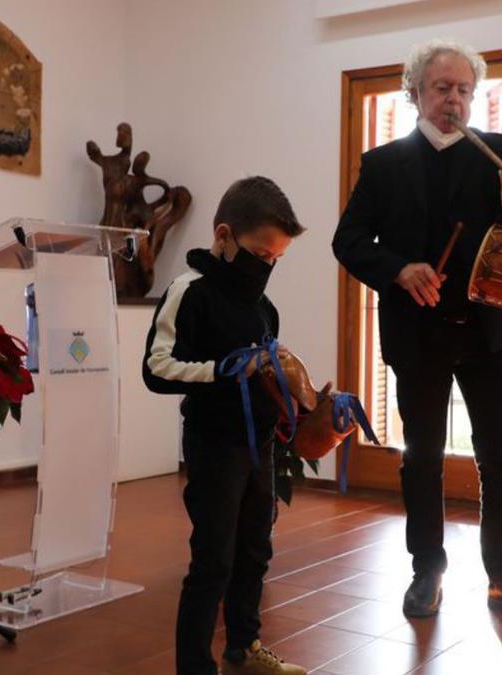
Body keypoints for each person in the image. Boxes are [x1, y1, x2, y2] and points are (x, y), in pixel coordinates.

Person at [331, 39, 502, 626]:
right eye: (442, 89)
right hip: (419, 335)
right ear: (415, 93)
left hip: (487, 332)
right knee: (423, 458)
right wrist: (399, 270)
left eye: (463, 90)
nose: (453, 101)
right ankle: (426, 570)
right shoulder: (383, 165)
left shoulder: (498, 154)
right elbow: (348, 241)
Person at [144, 176, 308, 674]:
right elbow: (156, 367)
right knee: (213, 560)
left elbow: (265, 376)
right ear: (223, 235)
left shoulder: (263, 308)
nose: (267, 267)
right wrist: (222, 370)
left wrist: (296, 396)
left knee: (255, 549)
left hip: (259, 446)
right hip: (214, 445)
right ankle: (195, 666)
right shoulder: (188, 291)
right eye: (261, 254)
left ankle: (244, 646)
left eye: (277, 259)